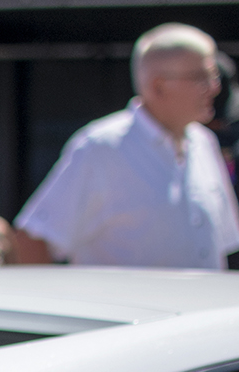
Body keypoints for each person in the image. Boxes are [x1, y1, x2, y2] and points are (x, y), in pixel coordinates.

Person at [13, 23, 239, 268]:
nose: (215, 88)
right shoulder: (102, 148)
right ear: (158, 86)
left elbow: (220, 246)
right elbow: (33, 239)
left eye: (214, 75)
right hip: (125, 307)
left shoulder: (204, 143)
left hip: (202, 306)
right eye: (201, 77)